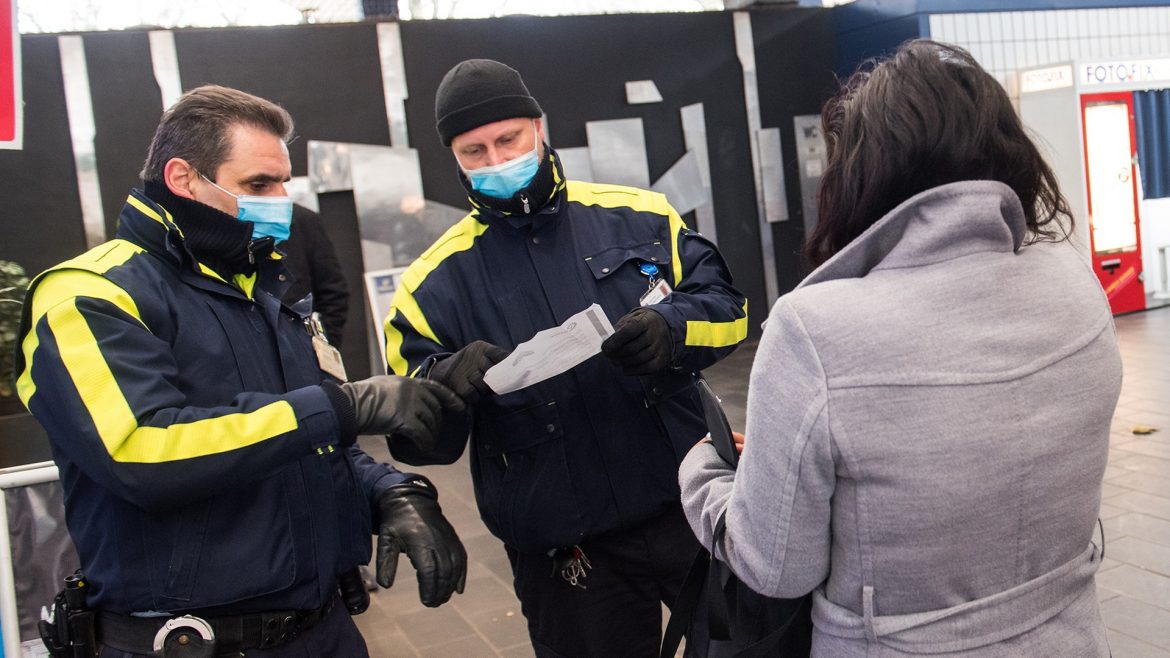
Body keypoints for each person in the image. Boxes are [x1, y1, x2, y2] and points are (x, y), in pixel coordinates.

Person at [679, 40, 1122, 655]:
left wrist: (703, 471)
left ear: (861, 171)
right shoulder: (1072, 280)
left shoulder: (814, 328)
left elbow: (775, 565)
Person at [15, 85, 468, 657]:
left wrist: (391, 491)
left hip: (322, 628)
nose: (280, 199)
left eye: (283, 182)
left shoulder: (263, 293)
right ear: (183, 179)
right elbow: (140, 451)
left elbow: (310, 441)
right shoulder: (91, 295)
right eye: (259, 184)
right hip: (189, 641)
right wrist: (340, 407)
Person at [381, 59, 748, 656]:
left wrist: (670, 329)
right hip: (569, 557)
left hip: (693, 510)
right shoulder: (429, 286)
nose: (497, 161)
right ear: (453, 157)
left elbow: (731, 310)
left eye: (509, 139)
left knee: (748, 647)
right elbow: (415, 436)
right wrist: (446, 385)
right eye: (475, 151)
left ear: (538, 126)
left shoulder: (641, 215)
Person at [281, 203, 349, 347]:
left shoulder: (302, 220)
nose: (281, 191)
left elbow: (333, 291)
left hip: (300, 347)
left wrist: (323, 349)